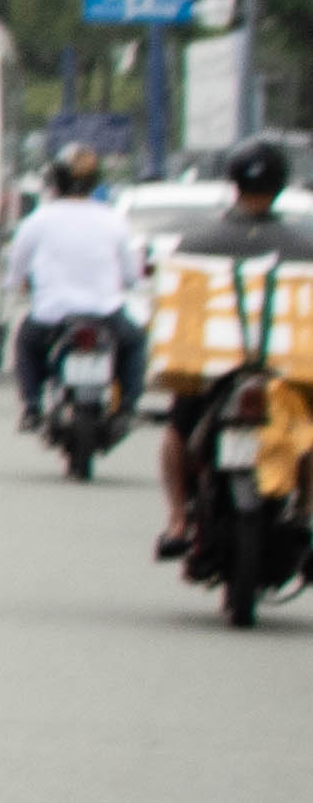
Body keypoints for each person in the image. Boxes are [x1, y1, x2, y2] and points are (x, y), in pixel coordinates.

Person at [152, 135, 299, 561]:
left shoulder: (194, 244)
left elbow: (177, 314)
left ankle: (178, 520)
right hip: (284, 378)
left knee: (178, 430)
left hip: (212, 373)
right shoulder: (304, 247)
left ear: (233, 183)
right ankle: (305, 513)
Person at [2, 144, 146, 429]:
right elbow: (132, 275)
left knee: (26, 342)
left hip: (52, 315)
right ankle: (128, 407)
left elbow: (16, 269)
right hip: (106, 313)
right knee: (135, 342)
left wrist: (15, 285)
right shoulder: (113, 220)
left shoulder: (37, 221)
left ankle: (32, 407)